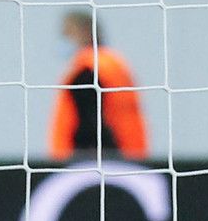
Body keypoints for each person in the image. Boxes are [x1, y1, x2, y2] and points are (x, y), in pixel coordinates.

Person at [47, 10, 150, 164]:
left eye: (67, 33)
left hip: (97, 160)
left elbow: (90, 122)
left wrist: (86, 159)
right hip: (130, 152)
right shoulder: (114, 63)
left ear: (85, 32)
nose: (63, 39)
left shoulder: (87, 69)